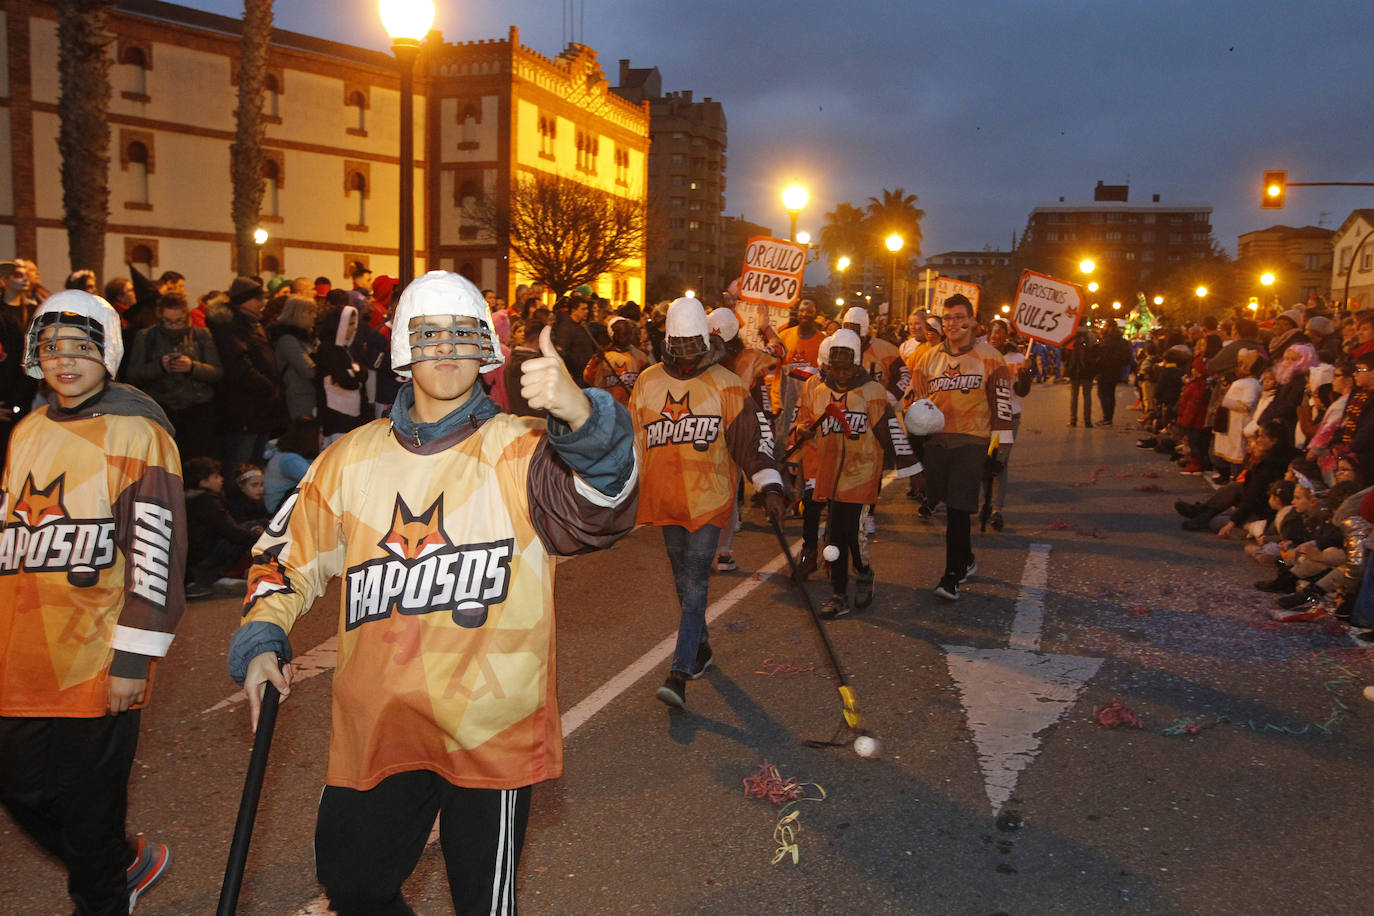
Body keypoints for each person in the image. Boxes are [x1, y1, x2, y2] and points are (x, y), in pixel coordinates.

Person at [228, 270, 636, 916]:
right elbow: (285, 555)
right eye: (430, 335)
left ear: (486, 351)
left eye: (462, 335)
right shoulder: (349, 459)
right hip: (380, 725)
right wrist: (261, 633)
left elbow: (604, 508)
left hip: (489, 732)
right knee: (353, 888)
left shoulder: (524, 452)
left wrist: (582, 418)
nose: (446, 349)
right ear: (404, 351)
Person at [0, 290, 185, 915]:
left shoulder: (138, 431)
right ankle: (120, 862)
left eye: (81, 348)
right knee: (19, 786)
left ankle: (104, 895)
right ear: (34, 357)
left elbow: (157, 549)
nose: (66, 362)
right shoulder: (26, 429)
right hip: (18, 654)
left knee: (86, 804)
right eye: (52, 349)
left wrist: (135, 657)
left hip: (96, 655)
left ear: (108, 352)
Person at [629, 297, 785, 708]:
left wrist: (769, 484)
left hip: (710, 498)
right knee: (683, 581)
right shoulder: (646, 382)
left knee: (697, 580)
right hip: (666, 499)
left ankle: (679, 672)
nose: (684, 357)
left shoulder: (727, 384)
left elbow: (752, 441)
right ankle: (701, 648)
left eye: (691, 347)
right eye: (676, 346)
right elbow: (634, 444)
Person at [793, 329, 918, 617]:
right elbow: (804, 423)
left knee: (852, 534)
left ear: (858, 363)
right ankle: (838, 595)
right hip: (829, 474)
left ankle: (863, 573)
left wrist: (913, 469)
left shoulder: (873, 392)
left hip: (861, 475)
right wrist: (803, 430)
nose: (841, 373)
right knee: (835, 537)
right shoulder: (818, 389)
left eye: (847, 367)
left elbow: (890, 434)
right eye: (835, 367)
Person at [907, 294, 1013, 600]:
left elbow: (1002, 407)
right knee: (942, 499)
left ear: (972, 321)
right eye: (948, 318)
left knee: (958, 508)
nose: (953, 324)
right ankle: (965, 559)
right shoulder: (928, 357)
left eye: (959, 317)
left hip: (973, 440)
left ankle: (951, 576)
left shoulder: (991, 357)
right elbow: (918, 400)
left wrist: (1000, 452)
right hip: (938, 441)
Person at [124, 292, 223, 459]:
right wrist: (159, 367)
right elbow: (132, 375)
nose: (174, 326)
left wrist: (192, 367)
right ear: (160, 317)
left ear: (186, 316)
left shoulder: (201, 335)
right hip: (161, 409)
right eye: (168, 322)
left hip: (196, 409)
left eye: (179, 321)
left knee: (196, 461)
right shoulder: (146, 337)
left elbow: (217, 371)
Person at [209, 277, 283, 467]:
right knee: (241, 466)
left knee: (256, 465)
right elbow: (238, 366)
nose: (262, 303)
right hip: (243, 410)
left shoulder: (252, 324)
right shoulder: (230, 325)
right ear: (244, 301)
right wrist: (267, 386)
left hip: (259, 409)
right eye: (258, 299)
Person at [182, 456, 263, 597]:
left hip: (196, 557)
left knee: (253, 527)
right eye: (216, 476)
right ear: (204, 482)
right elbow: (232, 532)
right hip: (204, 558)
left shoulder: (193, 498)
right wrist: (264, 540)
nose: (221, 479)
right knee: (253, 529)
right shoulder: (205, 501)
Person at [987, 317, 1033, 530]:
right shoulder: (981, 354)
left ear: (1007, 335)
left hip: (1010, 416)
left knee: (1000, 463)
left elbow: (1022, 391)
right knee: (983, 461)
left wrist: (1026, 373)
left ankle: (997, 509)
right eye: (992, 331)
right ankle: (983, 505)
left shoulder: (1018, 357)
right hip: (985, 417)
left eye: (1000, 331)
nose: (995, 335)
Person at [315, 305, 370, 439]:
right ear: (339, 325)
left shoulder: (348, 348)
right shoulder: (328, 349)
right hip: (335, 414)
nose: (354, 328)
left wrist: (355, 375)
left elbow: (363, 373)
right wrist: (356, 376)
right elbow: (347, 380)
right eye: (350, 324)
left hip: (353, 411)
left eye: (355, 323)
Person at [271, 295, 319, 420]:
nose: (315, 316)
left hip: (313, 396)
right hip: (301, 399)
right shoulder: (288, 340)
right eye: (310, 312)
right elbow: (308, 370)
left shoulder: (309, 338)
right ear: (297, 314)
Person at [583, 315, 650, 404]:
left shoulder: (640, 357)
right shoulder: (604, 356)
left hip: (632, 407)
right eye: (624, 334)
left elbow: (648, 382)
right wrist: (596, 362)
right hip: (609, 406)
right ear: (614, 335)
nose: (629, 337)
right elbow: (588, 378)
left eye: (630, 334)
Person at [263, 415, 323, 513]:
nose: (323, 437)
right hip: (278, 513)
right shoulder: (289, 460)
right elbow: (318, 481)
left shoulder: (295, 456)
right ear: (309, 436)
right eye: (319, 433)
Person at [1094, 319, 1133, 426]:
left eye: (1105, 326)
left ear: (1110, 327)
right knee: (1110, 394)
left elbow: (1101, 355)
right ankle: (1108, 418)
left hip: (1105, 371)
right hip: (1116, 371)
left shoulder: (1108, 340)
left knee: (1104, 394)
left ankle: (1107, 418)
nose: (1103, 328)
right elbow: (1127, 358)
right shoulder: (1121, 340)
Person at [1064, 326, 1099, 427]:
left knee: (1074, 396)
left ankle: (1073, 420)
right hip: (1087, 373)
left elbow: (1066, 357)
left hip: (1075, 373)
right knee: (1087, 396)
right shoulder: (1091, 341)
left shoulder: (1071, 341)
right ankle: (1087, 421)